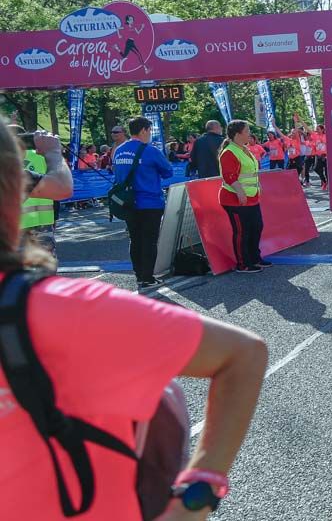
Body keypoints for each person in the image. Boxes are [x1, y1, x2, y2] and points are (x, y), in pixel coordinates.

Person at [0, 119, 268, 521]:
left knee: (137, 247)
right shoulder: (63, 310)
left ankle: (143, 276)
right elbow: (243, 353)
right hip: (142, 207)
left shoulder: (60, 307)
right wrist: (198, 494)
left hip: (121, 213)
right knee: (147, 244)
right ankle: (146, 278)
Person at [113, 117, 173, 289]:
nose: (150, 134)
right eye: (150, 130)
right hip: (149, 202)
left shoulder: (119, 150)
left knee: (135, 239)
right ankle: (147, 277)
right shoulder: (150, 150)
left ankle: (139, 275)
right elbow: (168, 171)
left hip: (128, 203)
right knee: (149, 240)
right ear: (144, 130)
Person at [218, 121, 269, 274]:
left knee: (257, 227)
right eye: (247, 131)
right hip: (235, 199)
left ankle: (255, 258)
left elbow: (250, 172)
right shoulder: (229, 152)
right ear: (238, 134)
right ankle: (243, 264)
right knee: (242, 232)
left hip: (251, 197)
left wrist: (257, 187)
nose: (249, 133)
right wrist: (240, 192)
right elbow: (229, 176)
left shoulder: (244, 149)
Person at [14, 127, 73, 255]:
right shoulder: (42, 156)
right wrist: (54, 152)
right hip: (41, 222)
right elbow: (60, 187)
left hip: (15, 224)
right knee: (44, 266)